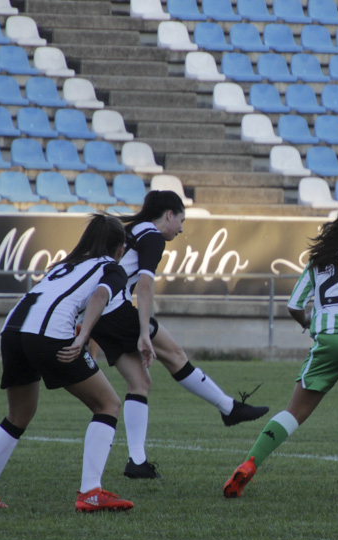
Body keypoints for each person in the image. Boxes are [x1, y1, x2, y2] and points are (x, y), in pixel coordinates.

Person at [223, 204, 338, 499]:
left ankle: (250, 462)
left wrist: (310, 323)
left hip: (329, 340)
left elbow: (294, 306)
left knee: (293, 412)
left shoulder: (319, 260)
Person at [90, 191, 268, 480]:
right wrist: (144, 331)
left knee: (140, 382)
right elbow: (145, 286)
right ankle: (228, 408)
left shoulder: (130, 230)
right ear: (169, 215)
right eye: (181, 220)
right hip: (114, 308)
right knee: (175, 355)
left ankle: (137, 461)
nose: (182, 229)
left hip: (98, 314)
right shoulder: (152, 236)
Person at [0, 214, 135, 512]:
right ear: (120, 247)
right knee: (108, 404)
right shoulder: (112, 268)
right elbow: (99, 296)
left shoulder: (66, 265)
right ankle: (90, 492)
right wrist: (83, 337)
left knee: (19, 414)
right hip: (48, 334)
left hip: (13, 331)